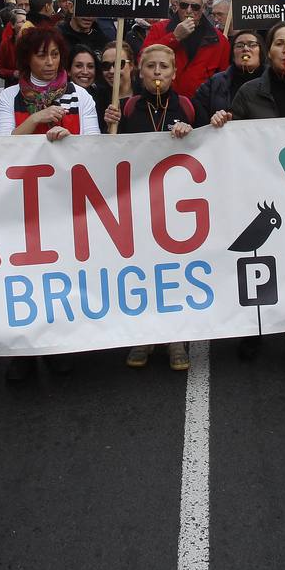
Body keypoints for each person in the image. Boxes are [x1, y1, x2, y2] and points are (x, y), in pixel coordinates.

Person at [211, 21, 285, 367]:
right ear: (270, 50)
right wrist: (223, 120)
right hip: (260, 195)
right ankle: (255, 329)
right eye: (279, 43)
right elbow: (232, 141)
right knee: (259, 264)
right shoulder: (250, 93)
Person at [0, 27, 99, 382]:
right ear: (27, 59)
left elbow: (95, 148)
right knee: (22, 281)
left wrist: (69, 140)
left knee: (59, 278)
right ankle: (23, 352)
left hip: (64, 200)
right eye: (41, 55)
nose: (50, 62)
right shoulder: (9, 98)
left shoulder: (81, 97)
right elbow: (0, 147)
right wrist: (37, 120)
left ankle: (56, 346)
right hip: (22, 203)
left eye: (55, 55)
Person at [102, 45, 197, 372]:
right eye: (151, 67)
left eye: (164, 67)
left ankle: (175, 337)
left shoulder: (186, 106)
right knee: (142, 270)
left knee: (172, 271)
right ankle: (144, 335)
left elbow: (203, 148)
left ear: (174, 73)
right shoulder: (125, 108)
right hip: (137, 204)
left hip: (176, 205)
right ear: (139, 72)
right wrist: (108, 127)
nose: (157, 72)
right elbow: (107, 157)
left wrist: (189, 133)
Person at [143, 0, 231, 99]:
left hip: (201, 107)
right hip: (163, 102)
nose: (189, 10)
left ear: (203, 8)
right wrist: (174, 37)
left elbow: (223, 80)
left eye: (195, 7)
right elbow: (143, 58)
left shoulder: (219, 40)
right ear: (177, 5)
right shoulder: (159, 29)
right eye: (184, 5)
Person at [194, 29, 263, 121]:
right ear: (233, 55)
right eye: (239, 45)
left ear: (261, 53)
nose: (245, 49)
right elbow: (198, 120)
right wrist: (213, 120)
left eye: (252, 45)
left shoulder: (273, 81)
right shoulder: (214, 83)